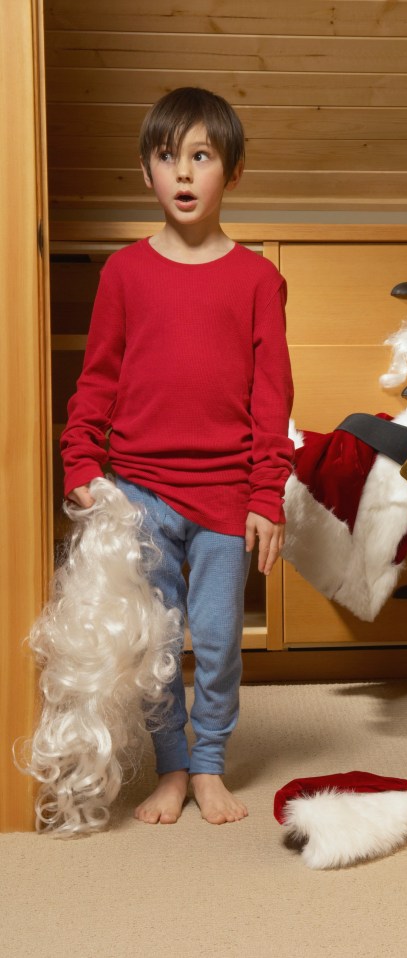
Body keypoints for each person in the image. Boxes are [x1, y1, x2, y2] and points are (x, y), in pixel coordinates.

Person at [60, 87, 294, 827]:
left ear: (234, 172)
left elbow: (271, 400)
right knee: (154, 642)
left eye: (202, 157)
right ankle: (171, 766)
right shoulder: (124, 274)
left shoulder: (258, 280)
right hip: (138, 493)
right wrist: (80, 466)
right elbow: (96, 379)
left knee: (218, 639)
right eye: (169, 158)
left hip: (225, 495)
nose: (184, 173)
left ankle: (210, 763)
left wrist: (266, 496)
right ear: (146, 173)